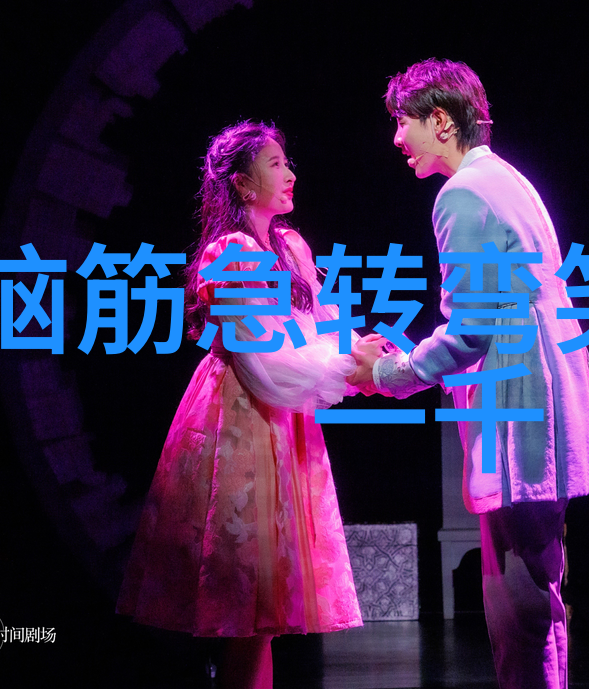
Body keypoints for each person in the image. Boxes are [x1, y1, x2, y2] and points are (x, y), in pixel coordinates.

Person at [352, 59, 589, 689]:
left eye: (403, 121)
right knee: (539, 586)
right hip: (546, 387)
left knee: (517, 595)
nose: (396, 137)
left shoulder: (463, 192)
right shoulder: (507, 179)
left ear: (441, 121)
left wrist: (388, 372)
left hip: (519, 397)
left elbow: (470, 331)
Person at [117, 121, 382, 689]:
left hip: (282, 422)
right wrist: (350, 368)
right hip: (239, 417)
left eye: (288, 162)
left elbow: (315, 327)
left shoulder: (290, 246)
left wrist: (360, 352)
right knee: (243, 600)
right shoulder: (230, 255)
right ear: (241, 183)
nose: (290, 174)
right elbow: (266, 359)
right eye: (275, 164)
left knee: (264, 612)